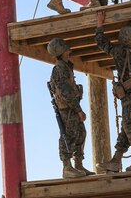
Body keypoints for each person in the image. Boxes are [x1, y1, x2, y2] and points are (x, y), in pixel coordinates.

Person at [95, 12, 131, 172]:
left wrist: (99, 24)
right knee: (127, 128)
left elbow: (102, 43)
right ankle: (115, 160)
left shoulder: (119, 52)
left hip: (130, 96)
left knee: (130, 126)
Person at [47, 37, 94, 178]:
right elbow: (66, 93)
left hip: (71, 107)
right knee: (69, 136)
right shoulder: (60, 69)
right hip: (67, 108)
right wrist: (78, 109)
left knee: (81, 133)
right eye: (65, 49)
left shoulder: (66, 67)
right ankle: (67, 167)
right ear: (60, 51)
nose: (69, 51)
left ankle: (78, 165)